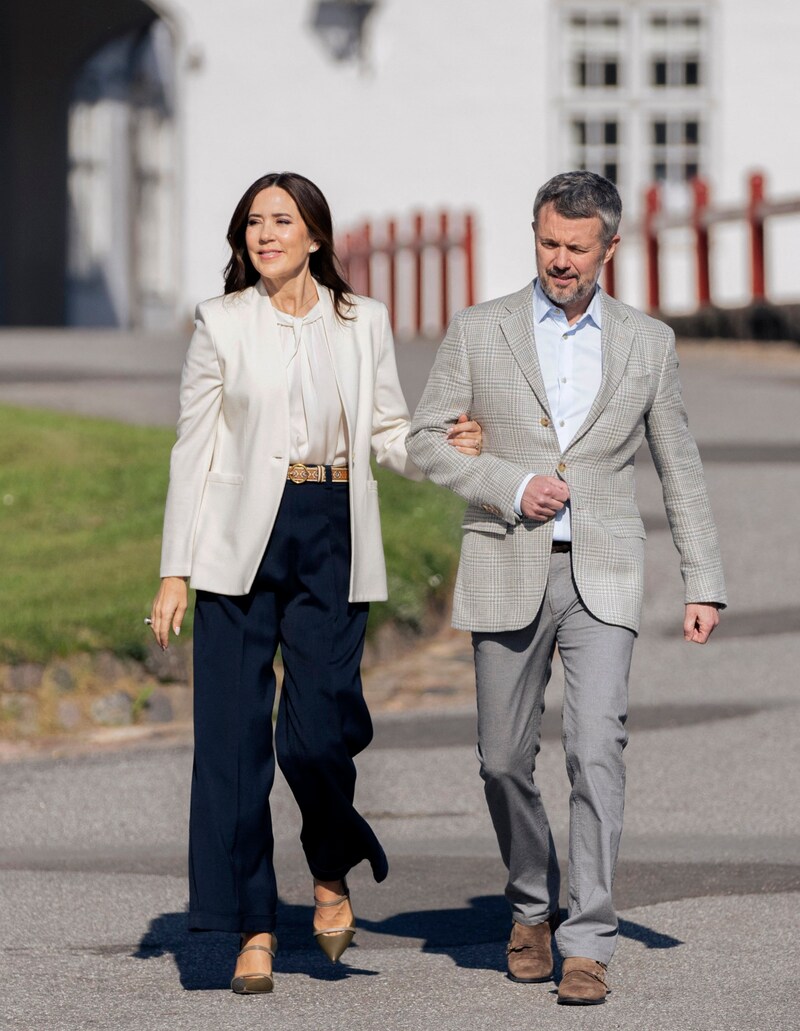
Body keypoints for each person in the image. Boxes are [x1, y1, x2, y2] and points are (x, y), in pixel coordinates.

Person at [148, 171, 483, 994]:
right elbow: (192, 449)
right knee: (231, 747)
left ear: (315, 236)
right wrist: (174, 569)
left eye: (281, 221)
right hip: (237, 543)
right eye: (253, 223)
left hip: (331, 526)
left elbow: (390, 432)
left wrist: (447, 450)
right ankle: (253, 925)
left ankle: (330, 862)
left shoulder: (361, 320)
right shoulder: (220, 324)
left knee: (318, 731)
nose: (265, 234)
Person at [406, 171, 726, 1006]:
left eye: (576, 248)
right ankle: (528, 903)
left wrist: (704, 580)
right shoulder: (481, 330)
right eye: (548, 242)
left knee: (595, 749)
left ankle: (586, 939)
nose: (559, 260)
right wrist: (510, 483)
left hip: (604, 574)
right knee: (503, 758)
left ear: (609, 249)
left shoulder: (648, 342)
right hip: (506, 559)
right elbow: (425, 441)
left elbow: (677, 464)